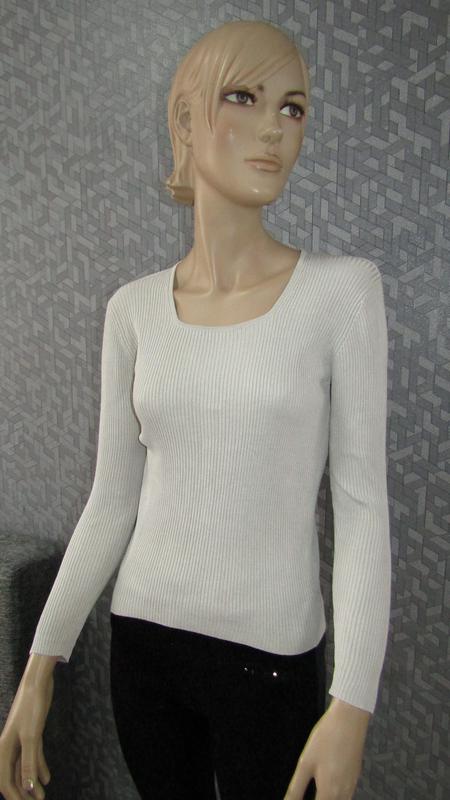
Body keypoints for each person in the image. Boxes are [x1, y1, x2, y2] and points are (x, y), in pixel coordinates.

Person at [0, 19, 391, 800]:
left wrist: (352, 703)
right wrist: (40, 667)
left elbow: (361, 509)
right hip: (144, 651)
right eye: (244, 97)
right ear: (184, 120)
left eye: (293, 107)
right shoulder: (132, 310)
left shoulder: (343, 292)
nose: (275, 128)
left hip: (271, 663)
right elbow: (112, 500)